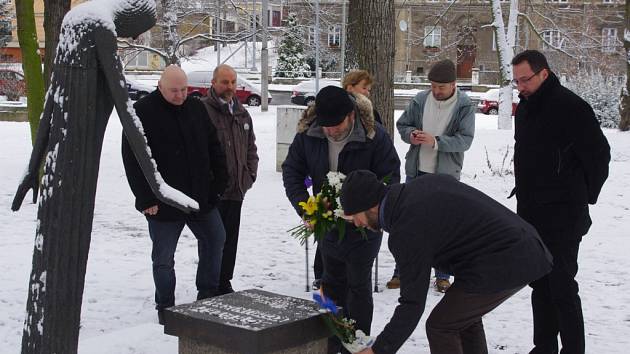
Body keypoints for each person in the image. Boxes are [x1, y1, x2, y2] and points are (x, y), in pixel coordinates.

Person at [339, 170, 553, 354]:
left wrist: (379, 349)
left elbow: (412, 303)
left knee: (441, 326)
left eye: (355, 217)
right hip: (522, 244)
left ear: (370, 206)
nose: (357, 224)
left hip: (509, 256)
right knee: (461, 319)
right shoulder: (416, 191)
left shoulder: (407, 228)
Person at [282, 86, 400, 353]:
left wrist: (368, 209)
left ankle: (357, 344)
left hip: (364, 228)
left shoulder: (374, 137)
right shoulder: (308, 135)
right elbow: (292, 171)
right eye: (326, 126)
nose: (331, 131)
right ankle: (332, 339)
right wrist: (306, 207)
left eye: (336, 125)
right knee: (329, 283)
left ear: (351, 116)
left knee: (357, 284)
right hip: (327, 224)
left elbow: (391, 177)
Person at [511, 50, 610, 354]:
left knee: (562, 286)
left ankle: (573, 349)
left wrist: (581, 195)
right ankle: (544, 347)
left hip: (564, 215)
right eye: (516, 82)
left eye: (524, 80)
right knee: (539, 284)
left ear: (544, 73)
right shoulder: (527, 107)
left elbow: (599, 156)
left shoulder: (571, 107)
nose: (520, 87)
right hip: (531, 212)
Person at [122, 65, 228, 325]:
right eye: (174, 91)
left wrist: (219, 183)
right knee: (163, 257)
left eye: (184, 89)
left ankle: (207, 294)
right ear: (160, 86)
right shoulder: (143, 111)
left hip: (200, 196)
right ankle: (165, 305)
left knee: (216, 239)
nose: (180, 95)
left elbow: (214, 146)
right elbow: (132, 158)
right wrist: (145, 199)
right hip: (163, 200)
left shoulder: (195, 107)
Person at [391, 58, 475, 292]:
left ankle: (442, 275)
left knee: (442, 227)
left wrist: (436, 142)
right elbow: (403, 125)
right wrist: (411, 135)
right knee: (408, 225)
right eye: (433, 86)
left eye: (441, 87)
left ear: (453, 85)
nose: (436, 91)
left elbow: (465, 140)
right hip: (416, 171)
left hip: (445, 176)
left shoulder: (464, 106)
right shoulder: (420, 99)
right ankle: (403, 272)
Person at [200, 64, 259, 295]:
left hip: (237, 188)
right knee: (213, 240)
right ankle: (210, 284)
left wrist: (249, 175)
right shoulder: (203, 111)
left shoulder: (242, 112)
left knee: (230, 239)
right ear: (213, 83)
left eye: (233, 82)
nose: (230, 87)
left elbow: (250, 148)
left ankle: (224, 281)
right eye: (225, 82)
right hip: (214, 191)